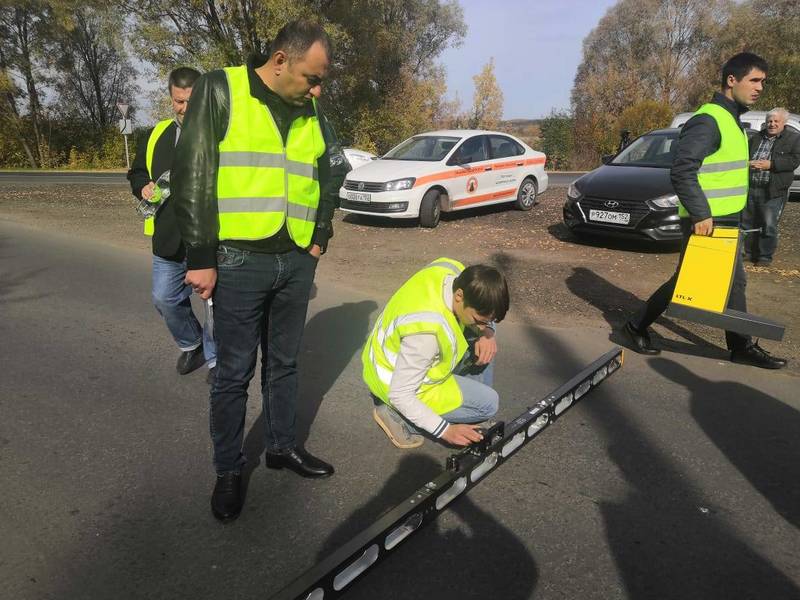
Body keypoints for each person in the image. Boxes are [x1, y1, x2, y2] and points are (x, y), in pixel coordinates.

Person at [172, 20, 346, 522]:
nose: (316, 89)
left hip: (295, 259)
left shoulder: (310, 108)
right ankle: (228, 468)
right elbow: (194, 172)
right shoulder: (220, 88)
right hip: (236, 260)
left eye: (320, 81)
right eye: (311, 78)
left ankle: (281, 447)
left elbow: (331, 169)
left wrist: (320, 235)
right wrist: (201, 256)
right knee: (232, 373)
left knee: (285, 363)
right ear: (280, 61)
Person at [622, 52, 787, 370]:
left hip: (727, 218)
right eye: (754, 80)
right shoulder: (708, 119)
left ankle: (740, 346)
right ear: (731, 80)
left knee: (734, 283)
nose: (760, 88)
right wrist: (700, 214)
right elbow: (682, 170)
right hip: (706, 220)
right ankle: (633, 328)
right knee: (687, 282)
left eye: (762, 82)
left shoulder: (732, 120)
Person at [127, 67, 217, 382]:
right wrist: (143, 186)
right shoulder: (155, 134)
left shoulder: (220, 133)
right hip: (167, 238)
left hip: (210, 239)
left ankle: (216, 360)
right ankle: (192, 344)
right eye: (179, 101)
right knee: (164, 298)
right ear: (171, 98)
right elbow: (136, 171)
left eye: (191, 101)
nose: (184, 108)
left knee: (214, 306)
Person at [362, 258, 509, 449]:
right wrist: (445, 430)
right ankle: (397, 418)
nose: (482, 324)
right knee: (488, 404)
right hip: (393, 382)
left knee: (484, 336)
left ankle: (468, 412)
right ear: (458, 295)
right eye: (478, 319)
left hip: (391, 353)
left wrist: (487, 331)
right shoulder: (426, 334)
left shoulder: (451, 270)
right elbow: (401, 394)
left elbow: (484, 321)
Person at [742, 107, 800, 265]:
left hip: (773, 189)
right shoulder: (756, 137)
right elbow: (744, 155)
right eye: (769, 121)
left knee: (768, 224)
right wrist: (748, 163)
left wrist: (771, 165)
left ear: (784, 123)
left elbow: (794, 161)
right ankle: (747, 252)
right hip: (751, 186)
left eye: (776, 121)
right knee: (747, 223)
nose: (772, 124)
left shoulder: (794, 139)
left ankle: (764, 256)